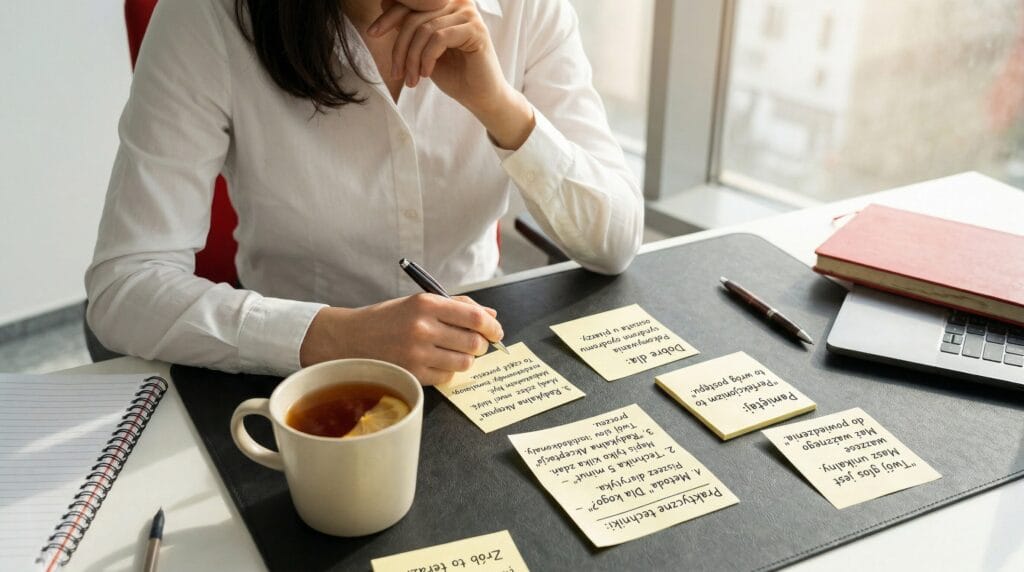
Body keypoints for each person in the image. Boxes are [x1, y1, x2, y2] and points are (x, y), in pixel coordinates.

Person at [85, 0, 643, 385]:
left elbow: (615, 240)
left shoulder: (527, 11)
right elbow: (125, 285)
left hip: (478, 365)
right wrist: (336, 337)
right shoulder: (210, 18)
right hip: (289, 380)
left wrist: (499, 104)